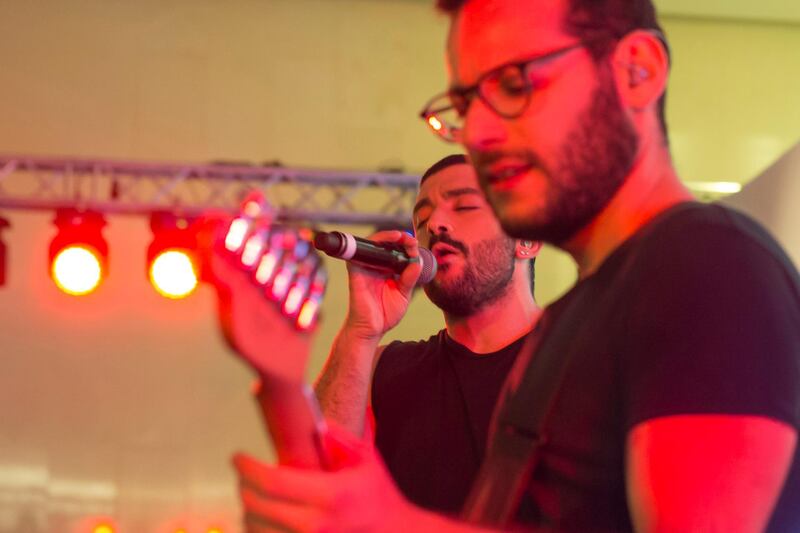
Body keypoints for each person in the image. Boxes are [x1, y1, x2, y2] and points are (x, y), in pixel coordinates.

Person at [232, 1, 800, 531]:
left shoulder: (704, 263)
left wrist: (395, 523)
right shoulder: (567, 327)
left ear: (637, 71)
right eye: (466, 102)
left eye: (514, 82)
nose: (477, 132)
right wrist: (282, 378)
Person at [313, 153, 541, 514]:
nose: (435, 224)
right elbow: (318, 486)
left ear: (526, 238)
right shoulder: (385, 369)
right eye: (421, 218)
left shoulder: (581, 358)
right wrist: (361, 331)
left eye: (464, 206)